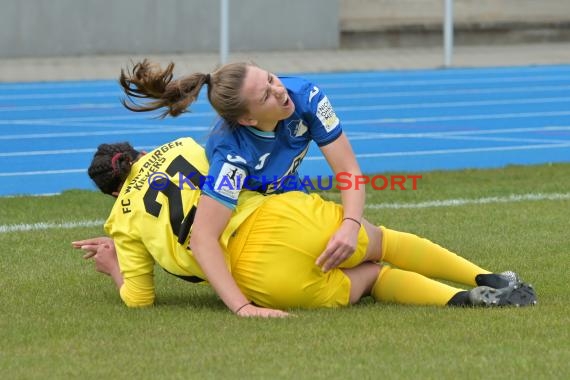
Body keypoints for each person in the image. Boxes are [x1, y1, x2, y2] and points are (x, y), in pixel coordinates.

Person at [74, 137, 536, 317]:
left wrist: (114, 265)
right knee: (385, 241)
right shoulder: (183, 145)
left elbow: (140, 299)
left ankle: (466, 300)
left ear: (113, 192)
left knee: (372, 276)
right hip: (279, 218)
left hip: (251, 275)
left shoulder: (120, 220)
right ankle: (486, 277)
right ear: (133, 154)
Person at [118, 60, 364, 288]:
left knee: (353, 249)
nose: (279, 90)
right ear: (248, 119)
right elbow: (204, 238)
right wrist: (242, 307)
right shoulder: (231, 154)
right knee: (322, 276)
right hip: (250, 220)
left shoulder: (306, 96)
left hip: (290, 192)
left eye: (270, 78)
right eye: (266, 95)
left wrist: (350, 226)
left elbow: (348, 170)